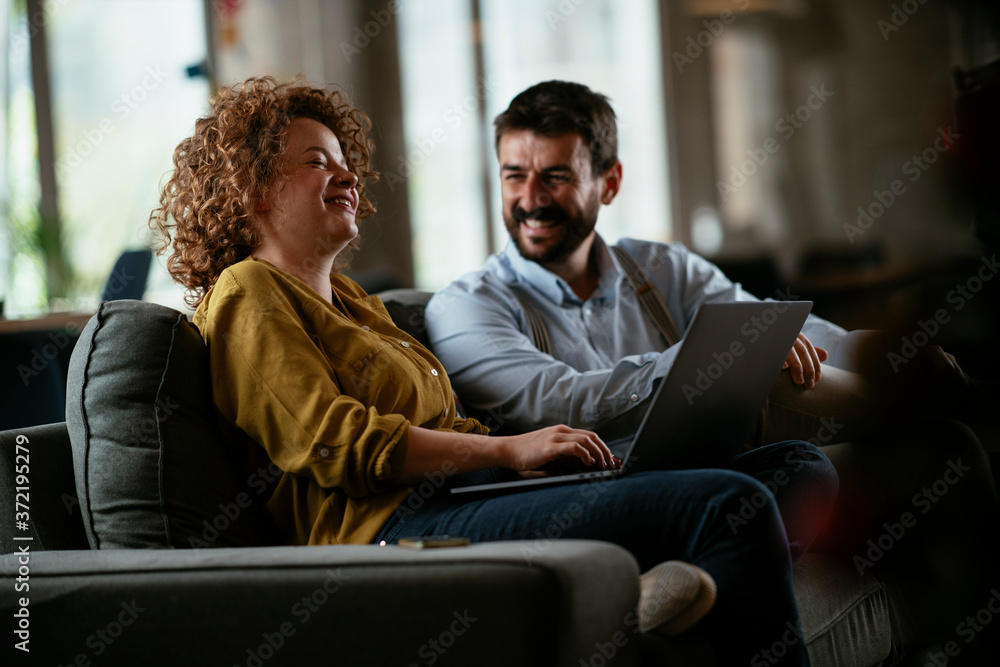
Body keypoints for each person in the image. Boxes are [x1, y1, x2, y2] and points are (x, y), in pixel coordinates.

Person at [149, 76, 837, 666]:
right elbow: (338, 443)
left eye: (344, 160)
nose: (348, 175)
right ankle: (656, 583)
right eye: (315, 162)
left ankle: (663, 586)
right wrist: (509, 448)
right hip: (394, 533)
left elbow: (444, 422)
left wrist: (549, 465)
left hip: (472, 494)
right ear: (255, 190)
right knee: (727, 503)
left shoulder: (354, 301)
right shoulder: (248, 292)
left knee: (796, 467)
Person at [425, 80, 999, 663]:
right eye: (513, 175)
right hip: (590, 499)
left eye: (556, 176)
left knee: (861, 458)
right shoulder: (467, 304)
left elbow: (791, 332)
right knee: (753, 480)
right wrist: (696, 358)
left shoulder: (659, 268)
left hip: (704, 472)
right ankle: (670, 561)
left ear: (610, 181)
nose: (530, 197)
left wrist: (893, 354)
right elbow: (556, 401)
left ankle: (684, 572)